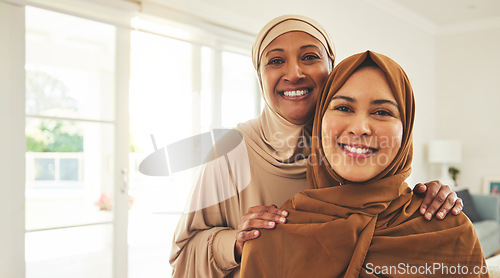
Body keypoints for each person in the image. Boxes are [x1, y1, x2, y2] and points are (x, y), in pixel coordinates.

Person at [169, 15, 463, 278]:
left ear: (332, 70)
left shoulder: (351, 147)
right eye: (275, 60)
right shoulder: (229, 150)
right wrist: (236, 242)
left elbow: (385, 209)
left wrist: (434, 198)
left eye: (309, 57)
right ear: (260, 76)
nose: (294, 72)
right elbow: (183, 255)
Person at [240, 51, 487, 278]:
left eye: (382, 112)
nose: (360, 128)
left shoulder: (449, 231)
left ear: (406, 129)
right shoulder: (272, 237)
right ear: (319, 122)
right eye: (344, 107)